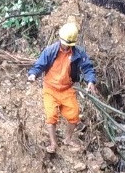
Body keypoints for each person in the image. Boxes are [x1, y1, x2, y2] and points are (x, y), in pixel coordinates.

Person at [27, 22, 97, 152]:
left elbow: (87, 68)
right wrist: (33, 74)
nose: (66, 46)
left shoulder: (78, 53)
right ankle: (53, 143)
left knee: (74, 115)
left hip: (67, 89)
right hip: (50, 89)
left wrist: (90, 81)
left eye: (69, 45)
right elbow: (39, 65)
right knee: (51, 115)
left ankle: (68, 139)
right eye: (64, 43)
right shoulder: (50, 51)